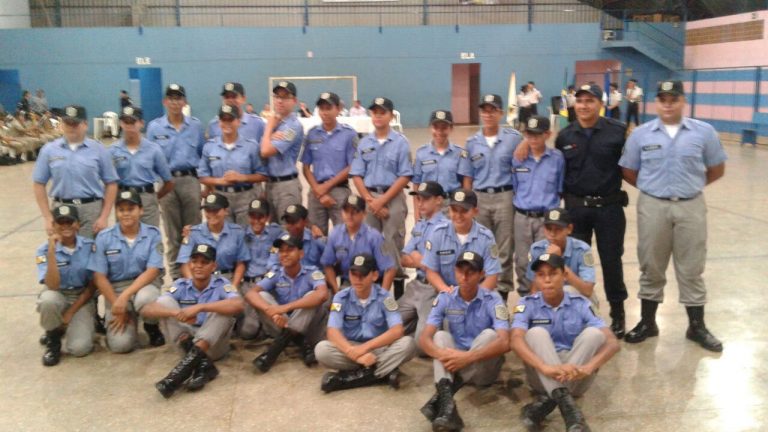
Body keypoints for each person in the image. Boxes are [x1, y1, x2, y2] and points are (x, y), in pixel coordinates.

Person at [619, 80, 727, 352]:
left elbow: (717, 168)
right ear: (656, 102)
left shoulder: (704, 132)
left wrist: (689, 187)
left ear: (683, 101)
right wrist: (654, 189)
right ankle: (647, 322)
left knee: (692, 266)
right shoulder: (640, 135)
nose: (668, 104)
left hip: (691, 205)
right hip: (653, 206)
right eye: (663, 99)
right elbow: (628, 170)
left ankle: (696, 326)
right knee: (651, 264)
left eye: (673, 99)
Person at [518, 83, 629, 338]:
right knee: (573, 263)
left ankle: (618, 313)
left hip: (609, 207)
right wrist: (525, 141)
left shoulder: (618, 132)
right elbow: (549, 158)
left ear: (600, 104)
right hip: (577, 210)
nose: (584, 106)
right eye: (580, 101)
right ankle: (574, 315)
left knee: (612, 262)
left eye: (590, 101)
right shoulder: (566, 136)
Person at [510, 253, 620, 432]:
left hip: (577, 377)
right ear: (536, 279)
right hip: (541, 377)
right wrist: (545, 367)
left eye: (553, 273)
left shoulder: (582, 303)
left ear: (564, 276)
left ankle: (547, 403)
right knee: (536, 333)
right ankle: (572, 417)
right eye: (541, 275)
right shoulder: (526, 304)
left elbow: (612, 342)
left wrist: (589, 367)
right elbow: (515, 340)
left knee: (594, 333)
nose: (547, 280)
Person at [418, 251, 511, 431]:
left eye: (471, 272)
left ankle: (438, 400)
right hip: (454, 366)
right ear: (455, 272)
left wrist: (467, 358)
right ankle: (448, 409)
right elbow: (424, 339)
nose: (465, 276)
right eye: (460, 271)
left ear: (482, 274)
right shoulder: (445, 297)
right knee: (440, 336)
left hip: (483, 371)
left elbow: (505, 342)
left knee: (490, 335)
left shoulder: (493, 299)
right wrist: (445, 355)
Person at [144, 244, 244, 398]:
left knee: (223, 309)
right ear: (189, 264)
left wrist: (201, 307)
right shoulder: (180, 285)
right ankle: (203, 367)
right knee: (165, 304)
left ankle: (177, 375)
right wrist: (176, 313)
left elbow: (238, 305)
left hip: (214, 346)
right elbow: (148, 309)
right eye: (194, 261)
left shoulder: (222, 284)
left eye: (204, 262)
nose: (198, 266)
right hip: (186, 343)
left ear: (213, 266)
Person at [315, 254, 416, 392]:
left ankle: (347, 379)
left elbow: (397, 330)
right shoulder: (341, 297)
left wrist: (364, 348)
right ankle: (382, 373)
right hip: (351, 348)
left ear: (374, 275)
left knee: (408, 344)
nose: (358, 279)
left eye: (363, 275)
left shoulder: (385, 297)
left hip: (378, 348)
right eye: (354, 274)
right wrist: (353, 353)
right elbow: (332, 332)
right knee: (322, 350)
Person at [88, 190, 165, 352]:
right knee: (121, 346)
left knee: (146, 298)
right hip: (115, 289)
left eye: (131, 209)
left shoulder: (153, 234)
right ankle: (129, 319)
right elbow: (99, 276)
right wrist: (116, 302)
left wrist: (125, 296)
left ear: (141, 210)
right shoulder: (104, 237)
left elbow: (152, 271)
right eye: (121, 210)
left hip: (144, 285)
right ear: (116, 213)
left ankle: (151, 326)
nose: (126, 214)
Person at [463, 94, 522, 298]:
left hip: (505, 196)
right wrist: (469, 204)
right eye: (484, 110)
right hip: (480, 198)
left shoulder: (514, 139)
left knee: (504, 248)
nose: (488, 114)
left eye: (492, 110)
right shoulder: (472, 142)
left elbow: (525, 157)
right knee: (481, 245)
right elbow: (468, 176)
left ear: (501, 113)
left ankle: (502, 294)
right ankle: (482, 292)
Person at [145, 84, 206, 280]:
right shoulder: (154, 127)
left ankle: (196, 275)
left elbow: (203, 155)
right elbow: (150, 158)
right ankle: (176, 278)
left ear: (185, 102)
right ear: (165, 101)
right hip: (166, 183)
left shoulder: (195, 126)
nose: (175, 102)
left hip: (190, 180)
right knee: (172, 233)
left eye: (178, 98)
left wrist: (205, 185)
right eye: (171, 98)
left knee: (193, 231)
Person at [245, 234, 330, 372]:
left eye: (290, 250)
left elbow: (323, 294)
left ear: (301, 254)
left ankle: (273, 350)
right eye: (281, 251)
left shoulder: (312, 272)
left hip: (310, 330)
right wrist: (271, 311)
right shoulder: (276, 273)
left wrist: (284, 308)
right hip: (282, 324)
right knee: (261, 295)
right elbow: (250, 293)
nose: (284, 254)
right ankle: (300, 343)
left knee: (311, 296)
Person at [351, 96, 412, 285]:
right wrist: (370, 201)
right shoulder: (364, 143)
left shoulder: (401, 142)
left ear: (391, 116)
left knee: (392, 241)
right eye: (375, 112)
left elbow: (405, 175)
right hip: (369, 197)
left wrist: (382, 201)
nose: (378, 116)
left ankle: (396, 285)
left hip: (392, 197)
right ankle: (375, 284)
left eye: (382, 112)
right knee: (370, 242)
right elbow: (356, 174)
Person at [33, 105, 118, 239]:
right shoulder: (49, 150)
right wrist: (47, 217)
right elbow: (38, 184)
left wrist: (104, 216)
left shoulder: (99, 150)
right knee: (64, 250)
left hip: (91, 210)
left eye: (75, 123)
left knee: (91, 249)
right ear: (62, 124)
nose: (71, 127)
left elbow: (111, 183)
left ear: (85, 124)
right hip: (61, 209)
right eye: (68, 123)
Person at [36, 205, 97, 366]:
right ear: (53, 225)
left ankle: (66, 326)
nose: (65, 226)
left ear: (78, 224)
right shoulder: (42, 250)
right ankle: (53, 340)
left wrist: (71, 311)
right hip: (58, 294)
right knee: (48, 300)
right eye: (60, 222)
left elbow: (92, 286)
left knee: (80, 349)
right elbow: (52, 285)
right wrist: (52, 252)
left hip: (81, 296)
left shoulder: (90, 246)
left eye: (69, 222)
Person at [511, 116, 564, 294]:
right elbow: (515, 187)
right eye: (529, 134)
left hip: (546, 220)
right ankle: (526, 299)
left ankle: (544, 298)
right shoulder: (518, 158)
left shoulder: (557, 159)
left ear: (547, 134)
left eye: (537, 135)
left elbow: (559, 189)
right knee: (522, 261)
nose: (533, 139)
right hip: (522, 217)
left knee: (545, 260)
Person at [422, 189, 501, 301]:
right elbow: (431, 271)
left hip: (478, 295)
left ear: (475, 211)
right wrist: (447, 292)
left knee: (499, 310)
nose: (458, 215)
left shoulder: (486, 237)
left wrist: (473, 299)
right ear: (449, 210)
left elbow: (492, 276)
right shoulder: (437, 233)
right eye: (454, 210)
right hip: (444, 293)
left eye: (464, 211)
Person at [198, 104, 268, 226]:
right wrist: (220, 181)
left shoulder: (251, 146)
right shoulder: (210, 147)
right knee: (224, 234)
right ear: (219, 122)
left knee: (246, 234)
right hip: (220, 198)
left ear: (238, 122)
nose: (227, 123)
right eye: (223, 120)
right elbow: (202, 177)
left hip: (245, 198)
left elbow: (262, 175)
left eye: (230, 119)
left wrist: (242, 178)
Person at [301, 92, 357, 236]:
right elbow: (306, 167)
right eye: (322, 108)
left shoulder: (349, 134)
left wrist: (325, 187)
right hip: (316, 191)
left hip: (339, 192)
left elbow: (352, 167)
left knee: (344, 235)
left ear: (338, 109)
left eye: (329, 108)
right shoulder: (312, 134)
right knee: (316, 236)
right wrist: (318, 191)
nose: (325, 112)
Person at [399, 181, 449, 335]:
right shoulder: (419, 225)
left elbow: (440, 264)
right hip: (415, 285)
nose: (420, 203)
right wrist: (425, 262)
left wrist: (417, 258)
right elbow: (404, 258)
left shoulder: (446, 227)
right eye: (418, 199)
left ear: (438, 200)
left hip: (433, 288)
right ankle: (414, 325)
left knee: (423, 341)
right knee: (384, 325)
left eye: (425, 199)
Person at [110, 106, 173, 228]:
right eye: (126, 122)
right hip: (123, 199)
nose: (129, 126)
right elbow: (108, 180)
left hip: (146, 199)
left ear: (141, 123)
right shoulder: (113, 150)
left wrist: (154, 198)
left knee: (150, 235)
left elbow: (168, 182)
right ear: (121, 124)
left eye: (132, 122)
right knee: (123, 235)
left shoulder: (153, 150)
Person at [320, 195, 395, 292]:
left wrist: (383, 295)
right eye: (346, 211)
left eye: (354, 211)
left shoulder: (374, 236)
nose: (349, 215)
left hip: (372, 285)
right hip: (348, 284)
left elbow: (390, 268)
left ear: (364, 214)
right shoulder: (335, 234)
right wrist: (336, 291)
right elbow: (327, 264)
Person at [176, 193, 249, 289]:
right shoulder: (193, 233)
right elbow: (184, 262)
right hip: (200, 280)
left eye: (215, 210)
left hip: (227, 279)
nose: (211, 214)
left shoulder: (237, 232)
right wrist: (193, 285)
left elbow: (241, 262)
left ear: (226, 211)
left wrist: (233, 287)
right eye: (208, 210)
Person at [527, 208, 597, 305]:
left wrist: (558, 261)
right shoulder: (537, 249)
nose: (552, 234)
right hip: (549, 299)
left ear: (569, 229)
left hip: (578, 300)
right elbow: (535, 289)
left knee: (568, 290)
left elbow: (587, 290)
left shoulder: (582, 249)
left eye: (558, 229)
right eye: (549, 229)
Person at [238, 198, 286, 340]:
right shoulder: (241, 233)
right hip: (248, 284)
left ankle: (270, 329)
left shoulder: (275, 232)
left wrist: (314, 230)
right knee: (247, 331)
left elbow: (293, 231)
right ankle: (259, 326)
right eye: (253, 216)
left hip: (269, 283)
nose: (256, 221)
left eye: (261, 217)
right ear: (248, 217)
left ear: (268, 217)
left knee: (275, 328)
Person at [412, 110, 470, 219]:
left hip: (451, 205)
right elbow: (416, 184)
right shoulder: (421, 153)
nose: (439, 131)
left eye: (444, 127)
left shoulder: (460, 153)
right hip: (428, 204)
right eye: (436, 127)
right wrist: (416, 212)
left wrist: (465, 208)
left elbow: (465, 183)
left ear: (451, 128)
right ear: (430, 128)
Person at [261, 81, 304, 220]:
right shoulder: (275, 123)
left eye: (285, 97)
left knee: (288, 228)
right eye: (277, 96)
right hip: (270, 184)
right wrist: (270, 134)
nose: (280, 101)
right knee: (273, 229)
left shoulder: (293, 127)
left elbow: (265, 151)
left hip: (286, 186)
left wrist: (268, 129)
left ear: (294, 101)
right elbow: (259, 148)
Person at [268, 204, 325, 269]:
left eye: (294, 222)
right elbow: (271, 262)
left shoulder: (316, 238)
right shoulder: (279, 240)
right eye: (288, 222)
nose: (290, 226)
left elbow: (330, 262)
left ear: (305, 221)